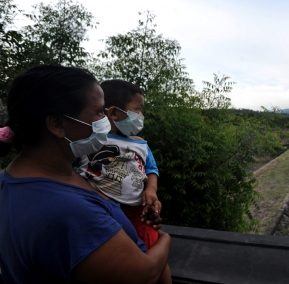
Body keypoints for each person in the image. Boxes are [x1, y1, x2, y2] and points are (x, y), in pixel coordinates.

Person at [0, 65, 171, 283]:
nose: (104, 120)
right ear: (57, 123)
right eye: (99, 111)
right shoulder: (70, 211)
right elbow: (144, 275)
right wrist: (165, 239)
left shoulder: (14, 180)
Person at [76, 80, 160, 249]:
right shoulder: (91, 140)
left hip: (136, 211)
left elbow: (151, 169)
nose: (141, 116)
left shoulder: (141, 145)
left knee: (150, 244)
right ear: (114, 113)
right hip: (97, 210)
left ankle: (155, 273)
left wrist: (151, 190)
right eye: (138, 109)